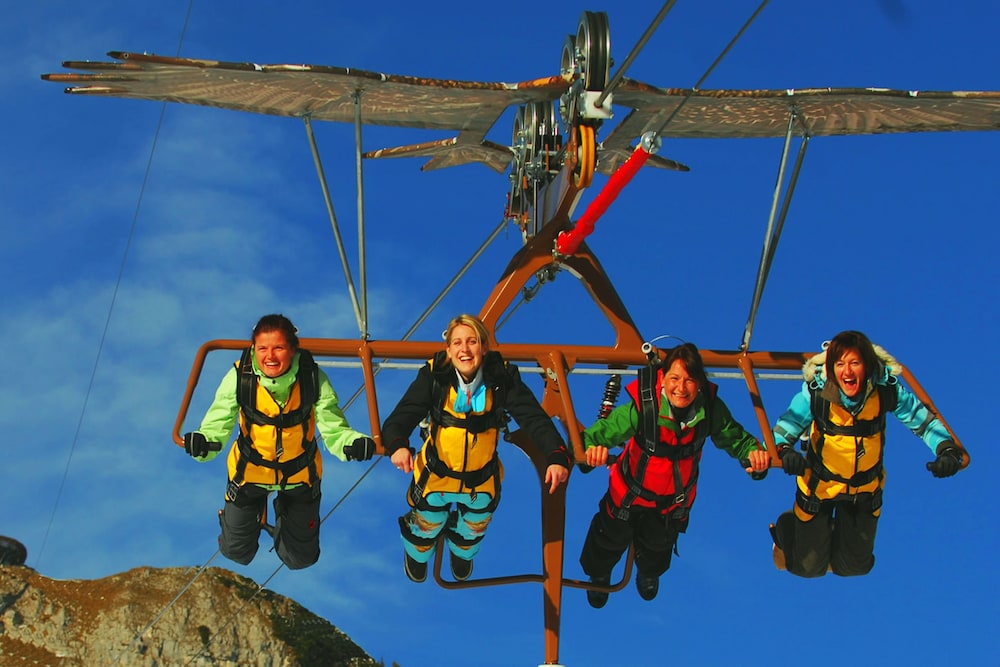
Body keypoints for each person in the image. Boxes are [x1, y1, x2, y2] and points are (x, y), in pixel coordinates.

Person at [381, 314, 571, 583]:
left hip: (480, 478)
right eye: (457, 343)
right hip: (436, 474)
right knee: (427, 522)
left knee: (474, 526)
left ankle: (462, 551)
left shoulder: (501, 378)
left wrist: (555, 454)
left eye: (472, 342)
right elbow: (404, 414)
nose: (465, 350)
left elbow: (532, 418)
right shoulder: (435, 377)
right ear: (449, 350)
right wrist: (398, 445)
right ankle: (418, 552)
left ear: (484, 347)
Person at [579, 342, 769, 608]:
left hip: (671, 502)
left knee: (659, 545)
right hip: (628, 493)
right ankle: (599, 573)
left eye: (689, 380)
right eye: (675, 379)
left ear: (699, 384)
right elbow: (599, 433)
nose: (681, 388)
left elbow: (737, 439)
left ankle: (648, 572)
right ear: (663, 379)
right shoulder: (646, 407)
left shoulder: (709, 410)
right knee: (608, 537)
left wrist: (755, 457)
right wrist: (590, 451)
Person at [182, 314, 375, 570]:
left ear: (292, 349)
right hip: (249, 474)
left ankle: (285, 520)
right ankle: (234, 521)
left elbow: (334, 426)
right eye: (262, 348)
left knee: (300, 559)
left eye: (279, 348)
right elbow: (219, 420)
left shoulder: (311, 378)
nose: (270, 356)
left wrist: (352, 444)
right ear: (254, 349)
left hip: (299, 476)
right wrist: (204, 442)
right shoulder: (241, 376)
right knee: (236, 552)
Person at [770, 330, 966, 578]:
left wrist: (946, 449)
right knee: (808, 568)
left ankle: (832, 537)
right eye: (840, 364)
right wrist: (784, 451)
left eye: (855, 363)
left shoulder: (884, 391)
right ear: (831, 369)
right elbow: (786, 426)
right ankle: (789, 528)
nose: (847, 372)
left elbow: (922, 421)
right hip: (820, 486)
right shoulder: (817, 392)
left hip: (864, 488)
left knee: (855, 567)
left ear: (868, 366)